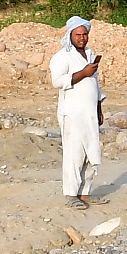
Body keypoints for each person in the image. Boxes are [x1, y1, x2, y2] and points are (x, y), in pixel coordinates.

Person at [49, 16, 105, 206]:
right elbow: (57, 81)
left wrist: (99, 109)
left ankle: (85, 193)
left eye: (85, 34)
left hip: (89, 113)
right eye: (78, 35)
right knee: (74, 154)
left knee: (91, 153)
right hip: (72, 113)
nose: (82, 38)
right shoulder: (62, 56)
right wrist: (83, 73)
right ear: (70, 35)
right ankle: (71, 195)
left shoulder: (89, 54)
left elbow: (95, 85)